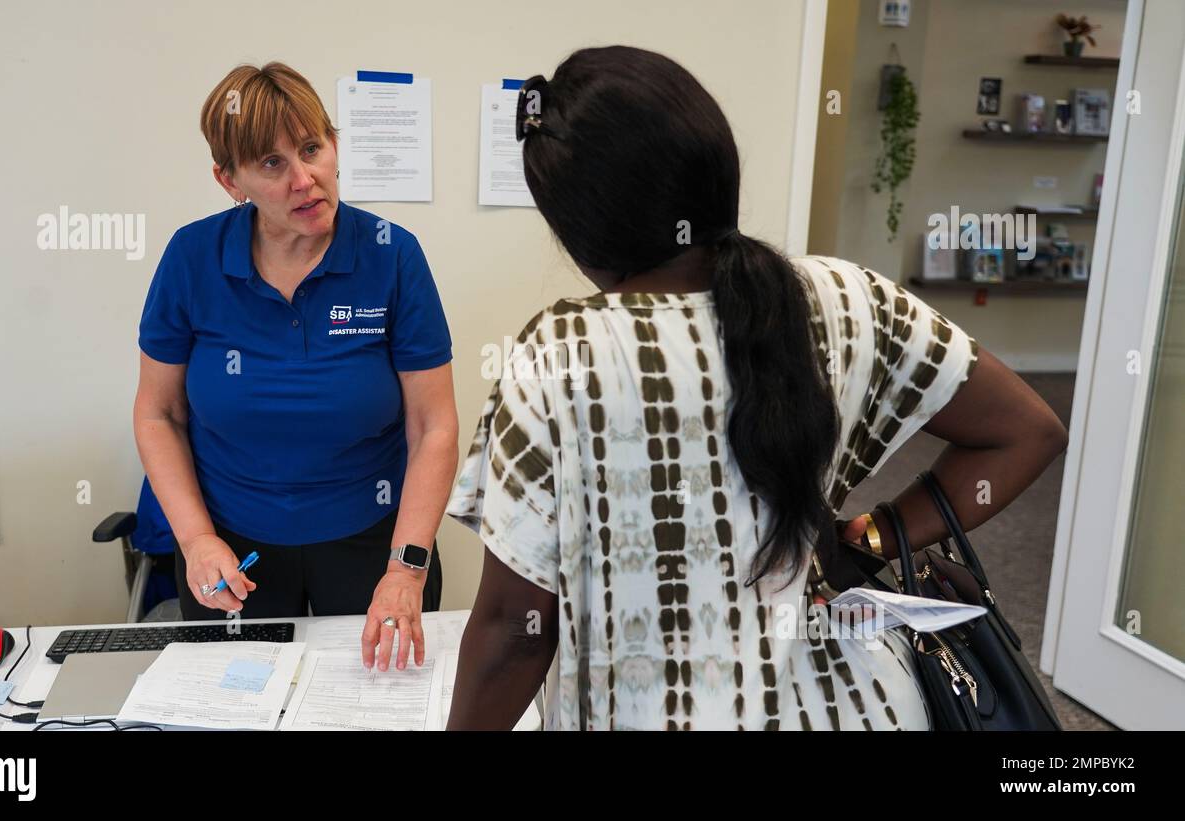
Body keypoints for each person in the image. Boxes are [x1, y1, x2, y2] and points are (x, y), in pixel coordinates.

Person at [445, 46, 1068, 729]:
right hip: (860, 707)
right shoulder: (848, 294)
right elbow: (1028, 430)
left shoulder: (558, 353)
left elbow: (514, 630)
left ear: (580, 231)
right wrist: (873, 537)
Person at [133, 62, 458, 671]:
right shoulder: (192, 258)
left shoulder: (392, 255)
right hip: (232, 544)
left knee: (377, 705)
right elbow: (159, 412)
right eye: (272, 163)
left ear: (334, 145)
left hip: (373, 540)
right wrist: (196, 540)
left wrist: (405, 568)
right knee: (233, 706)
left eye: (313, 148)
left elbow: (433, 425)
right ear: (230, 181)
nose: (305, 179)